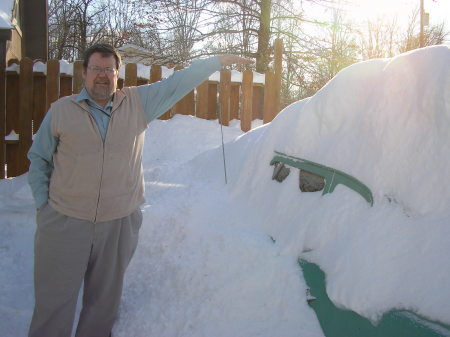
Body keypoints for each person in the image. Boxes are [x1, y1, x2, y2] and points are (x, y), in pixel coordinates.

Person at [27, 43, 253, 337]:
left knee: (103, 307)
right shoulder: (62, 111)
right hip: (65, 221)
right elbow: (39, 158)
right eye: (96, 68)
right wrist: (44, 207)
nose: (102, 76)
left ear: (117, 74)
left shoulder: (137, 103)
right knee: (54, 305)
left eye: (109, 70)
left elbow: (176, 84)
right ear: (84, 73)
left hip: (118, 223)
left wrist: (215, 61)